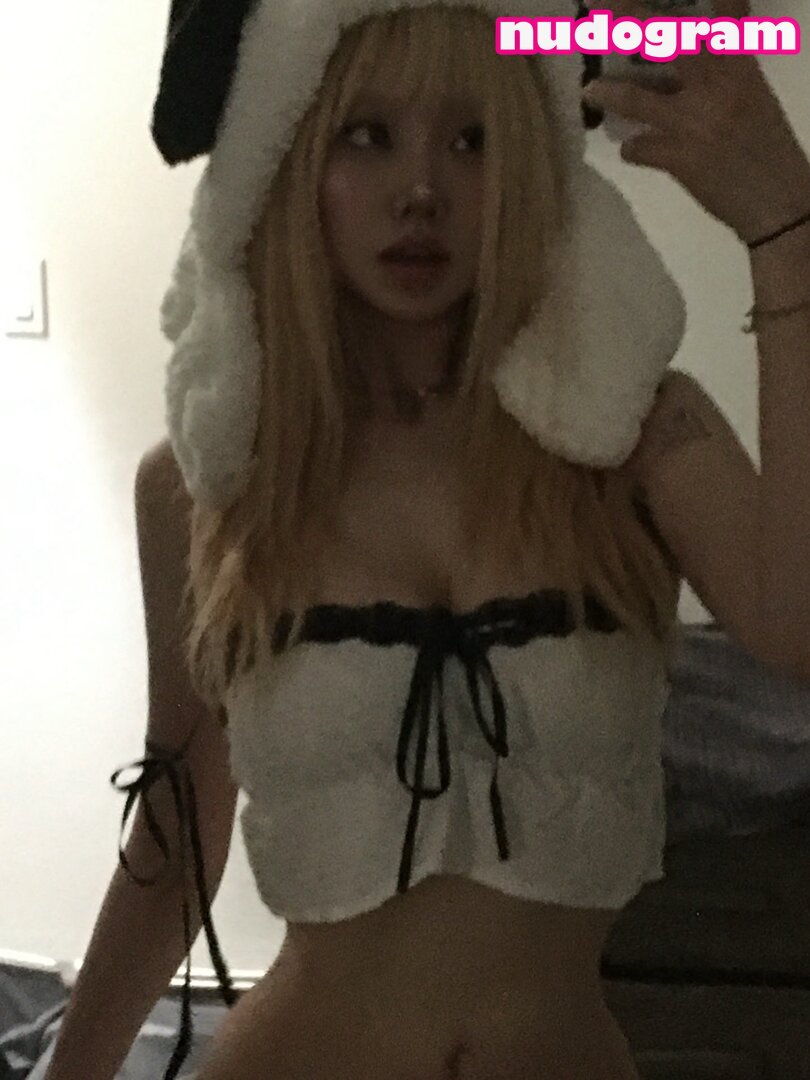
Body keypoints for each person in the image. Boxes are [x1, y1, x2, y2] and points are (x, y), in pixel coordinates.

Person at [44, 0, 695, 1078]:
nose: (421, 189)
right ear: (288, 156)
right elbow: (179, 821)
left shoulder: (623, 444)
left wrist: (782, 221)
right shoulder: (205, 487)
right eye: (366, 135)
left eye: (473, 138)